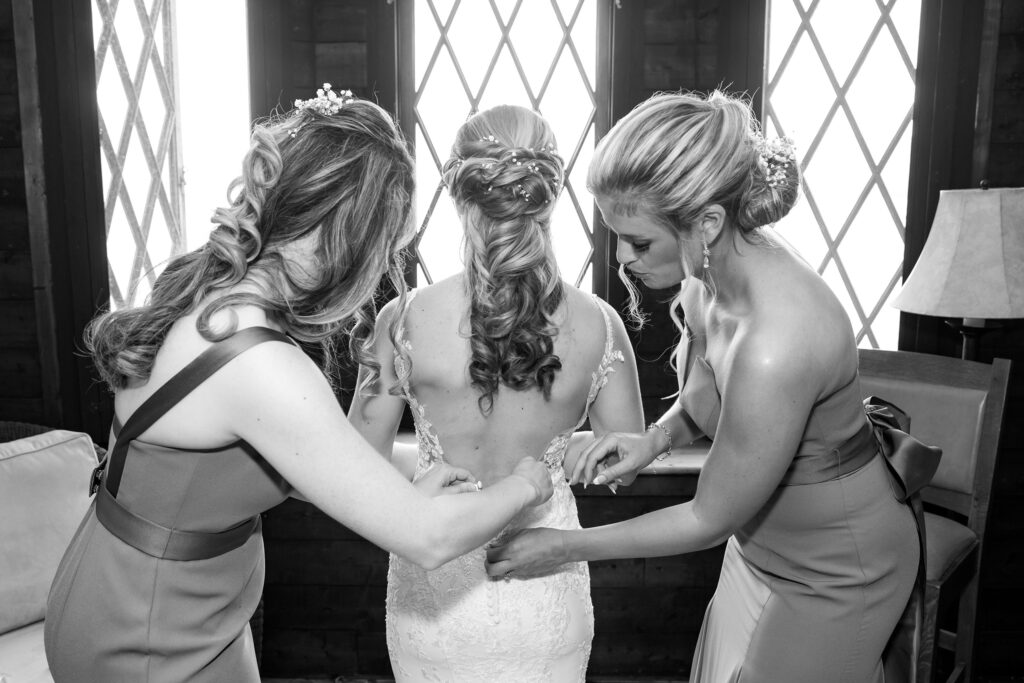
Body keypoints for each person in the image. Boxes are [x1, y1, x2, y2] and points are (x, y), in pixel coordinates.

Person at [43, 86, 554, 683]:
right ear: (347, 240)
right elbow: (428, 539)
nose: (379, 272)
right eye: (383, 249)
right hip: (147, 628)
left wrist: (406, 482)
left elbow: (300, 463)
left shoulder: (211, 297)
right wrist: (524, 485)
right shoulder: (259, 363)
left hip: (171, 600)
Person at [483, 91, 922, 683]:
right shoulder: (705, 277)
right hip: (759, 543)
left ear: (707, 223)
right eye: (615, 237)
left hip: (838, 568)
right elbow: (705, 400)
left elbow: (706, 518)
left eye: (640, 242)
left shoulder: (776, 343)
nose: (623, 261)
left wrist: (562, 546)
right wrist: (655, 439)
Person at [349, 104, 644, 682]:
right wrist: (565, 446)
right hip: (544, 583)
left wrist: (427, 466)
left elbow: (357, 464)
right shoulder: (600, 325)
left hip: (435, 584)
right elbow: (624, 466)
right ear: (549, 195)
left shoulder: (403, 320)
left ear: (460, 197)